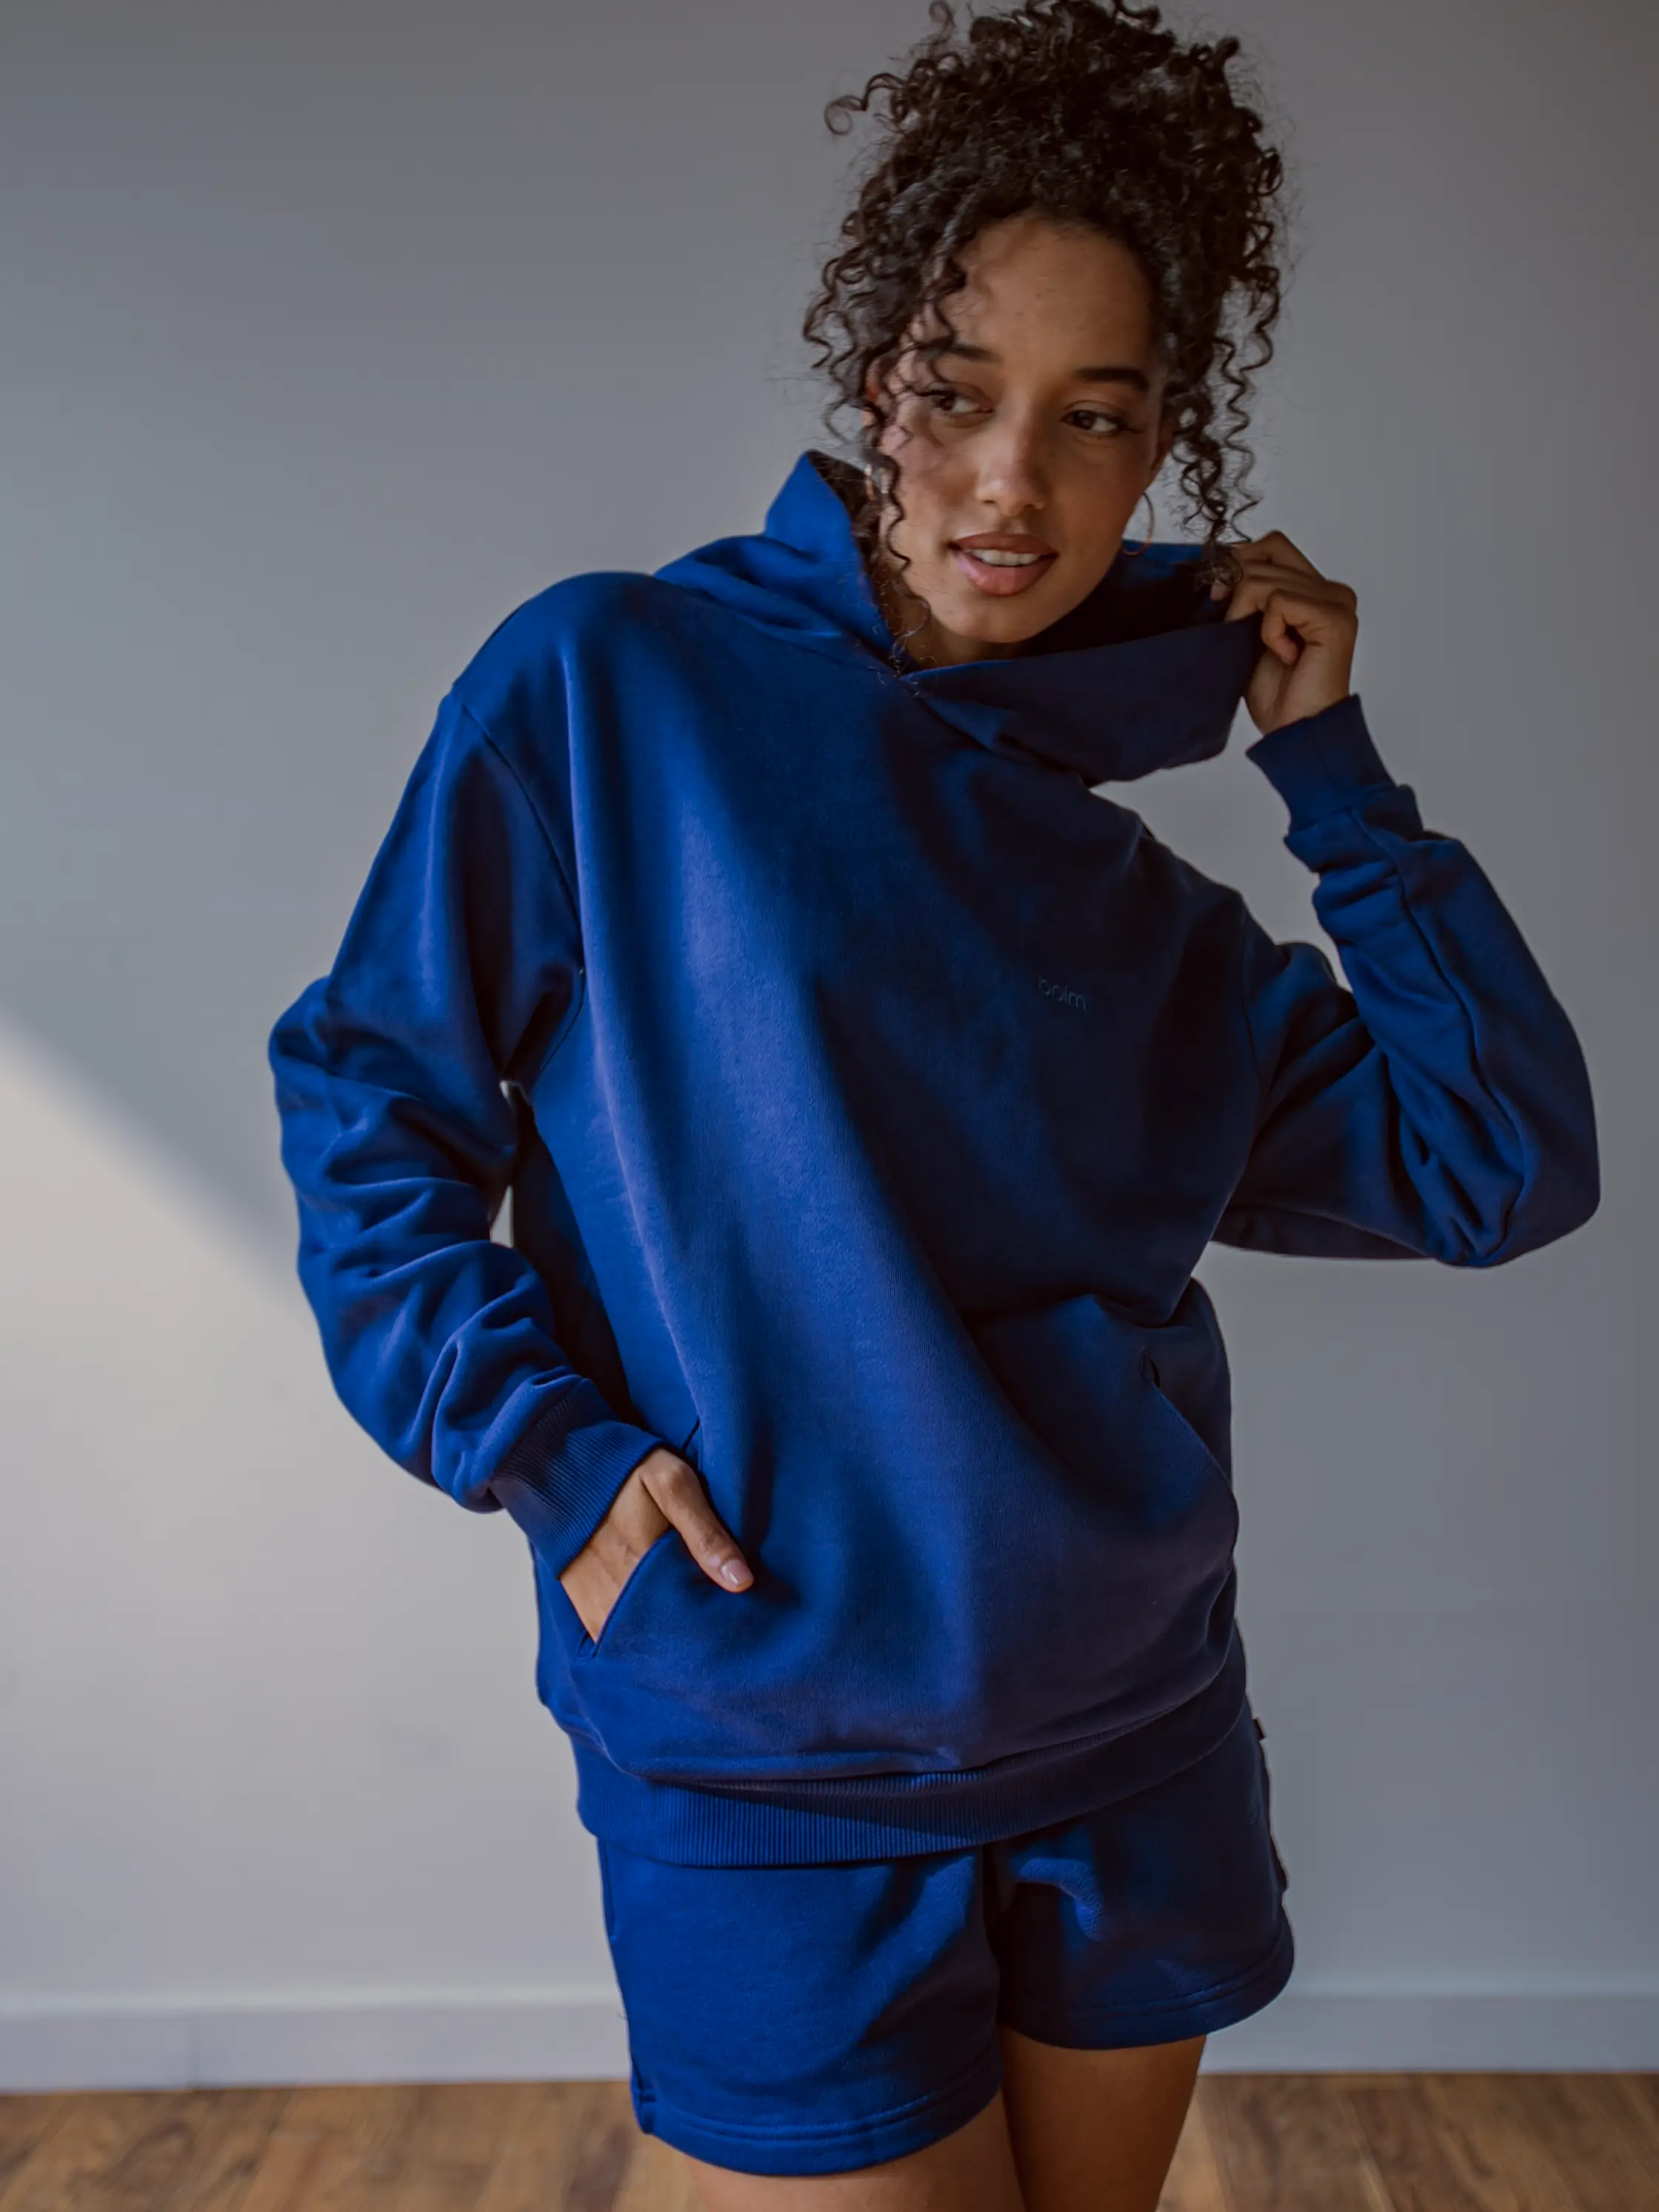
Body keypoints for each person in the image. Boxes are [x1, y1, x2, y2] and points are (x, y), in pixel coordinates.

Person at [267, 2, 1600, 2205]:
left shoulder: (1143, 914)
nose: (1015, 483)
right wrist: (544, 1452)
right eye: (963, 397)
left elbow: (1506, 1162)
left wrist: (1334, 777)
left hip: (1131, 1737)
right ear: (878, 379)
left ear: (1164, 447)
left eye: (1099, 421)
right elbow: (371, 1108)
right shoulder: (615, 692)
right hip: (770, 1750)